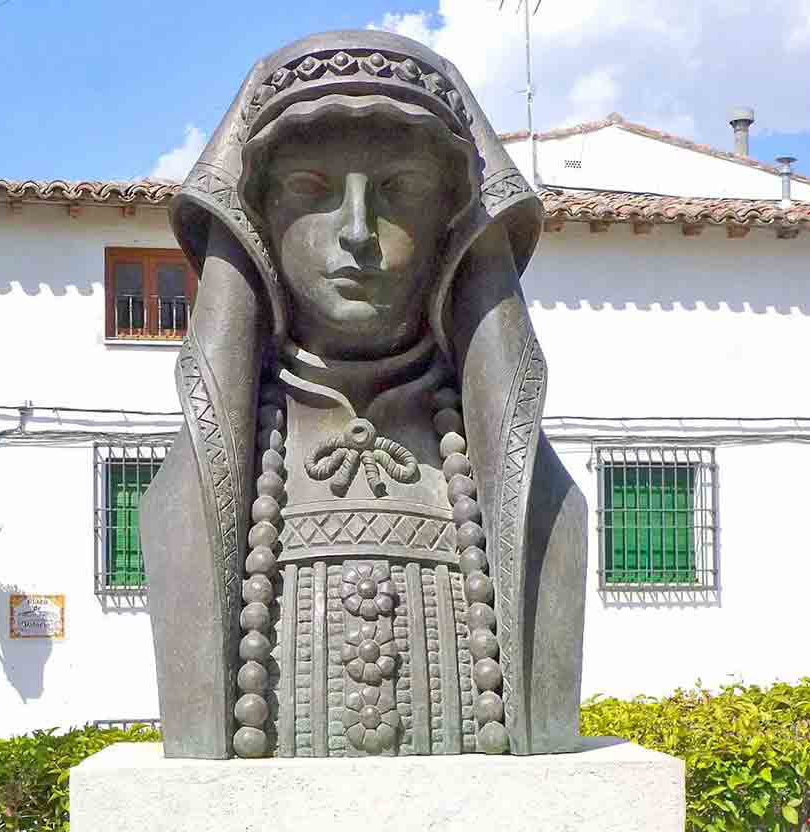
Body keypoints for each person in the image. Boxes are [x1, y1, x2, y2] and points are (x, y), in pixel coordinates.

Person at [141, 30, 586, 760]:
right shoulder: (201, 492)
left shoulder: (535, 502)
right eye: (310, 190)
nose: (356, 232)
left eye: (399, 190)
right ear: (260, 225)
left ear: (450, 229)